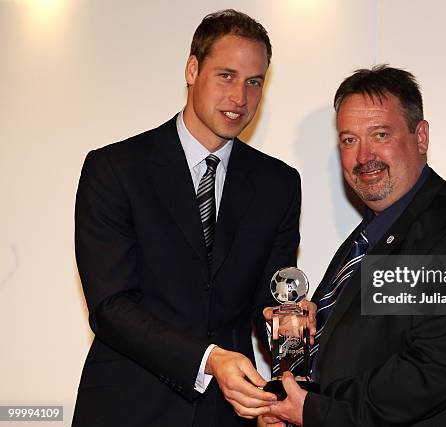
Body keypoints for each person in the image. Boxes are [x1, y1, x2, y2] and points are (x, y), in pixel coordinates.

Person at [261, 65, 446, 426]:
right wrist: (318, 327)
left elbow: (439, 368)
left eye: (380, 134)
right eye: (349, 140)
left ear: (421, 137)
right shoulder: (365, 240)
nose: (363, 156)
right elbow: (379, 340)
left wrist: (315, 410)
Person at [73, 10, 301, 427]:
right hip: (128, 406)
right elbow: (110, 306)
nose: (240, 98)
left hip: (230, 412)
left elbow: (272, 301)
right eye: (226, 76)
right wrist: (210, 359)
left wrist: (285, 385)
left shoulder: (279, 184)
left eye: (254, 82)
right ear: (192, 69)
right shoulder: (115, 169)